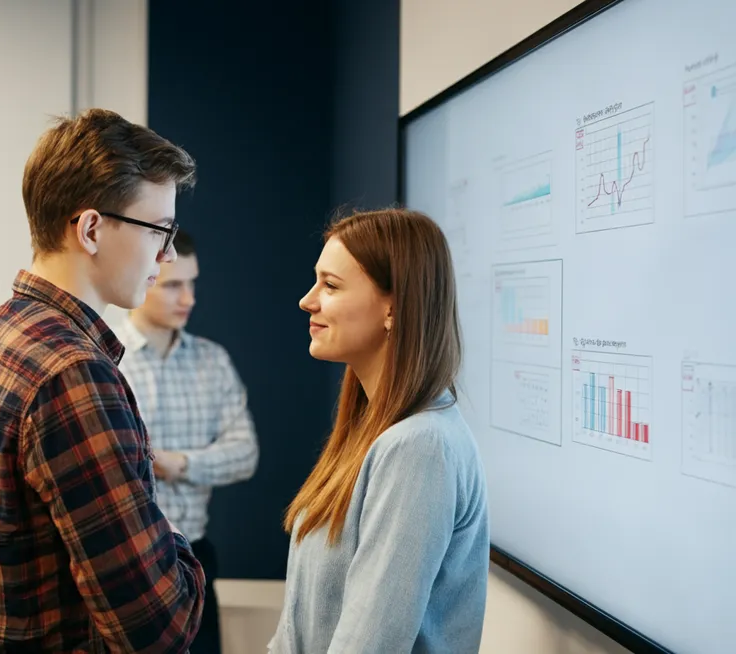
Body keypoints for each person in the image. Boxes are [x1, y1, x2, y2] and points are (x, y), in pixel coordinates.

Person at [0, 108, 206, 653]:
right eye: (160, 230)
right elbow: (156, 626)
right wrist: (171, 538)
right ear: (91, 229)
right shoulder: (74, 373)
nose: (168, 253)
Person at [269, 208, 489, 653]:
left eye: (330, 285)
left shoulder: (420, 447)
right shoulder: (371, 431)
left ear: (393, 306)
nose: (307, 301)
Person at [113, 228, 259, 654]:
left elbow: (245, 453)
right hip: (127, 560)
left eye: (192, 283)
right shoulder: (103, 356)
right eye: (175, 284)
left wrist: (179, 464)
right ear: (147, 277)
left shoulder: (212, 361)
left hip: (193, 556)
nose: (189, 298)